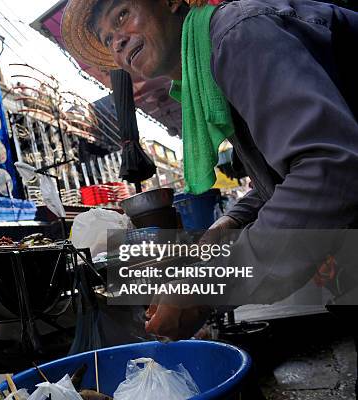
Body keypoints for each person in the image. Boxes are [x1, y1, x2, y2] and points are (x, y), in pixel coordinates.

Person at [61, 0, 358, 349]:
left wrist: (203, 285)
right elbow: (283, 177)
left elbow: (330, 168)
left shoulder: (238, 35)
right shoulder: (211, 67)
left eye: (122, 15)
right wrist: (230, 222)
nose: (118, 43)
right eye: (109, 38)